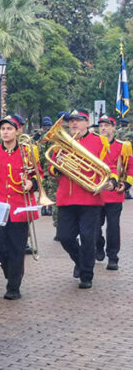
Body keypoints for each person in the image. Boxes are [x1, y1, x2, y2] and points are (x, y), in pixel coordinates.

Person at [53, 109, 116, 289]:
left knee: (88, 238)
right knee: (65, 237)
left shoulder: (99, 141)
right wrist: (57, 165)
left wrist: (111, 181)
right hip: (66, 198)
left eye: (78, 120)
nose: (74, 124)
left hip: (90, 198)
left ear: (87, 123)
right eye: (71, 121)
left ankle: (86, 274)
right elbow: (50, 169)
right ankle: (80, 262)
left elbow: (109, 166)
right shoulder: (61, 143)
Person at [0, 115, 39, 300]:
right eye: (3, 129)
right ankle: (11, 272)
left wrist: (32, 183)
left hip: (19, 205)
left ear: (18, 131)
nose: (5, 132)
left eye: (9, 128)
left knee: (17, 246)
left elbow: (38, 176)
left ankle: (14, 285)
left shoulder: (28, 151)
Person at [97, 116, 130, 271]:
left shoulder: (123, 146)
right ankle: (98, 245)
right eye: (101, 125)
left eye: (106, 125)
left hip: (114, 193)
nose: (103, 128)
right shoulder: (94, 145)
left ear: (113, 128)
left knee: (113, 227)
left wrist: (126, 184)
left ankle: (112, 257)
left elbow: (130, 167)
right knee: (94, 226)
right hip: (95, 193)